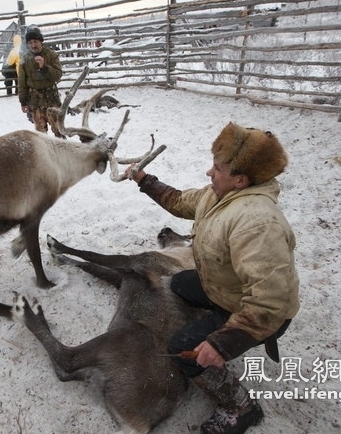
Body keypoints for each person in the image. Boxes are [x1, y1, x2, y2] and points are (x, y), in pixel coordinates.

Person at [125, 122, 300, 434]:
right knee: (179, 284)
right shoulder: (218, 196)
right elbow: (179, 201)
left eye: (217, 168)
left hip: (257, 312)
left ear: (240, 180)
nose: (209, 173)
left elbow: (271, 301)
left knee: (185, 347)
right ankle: (215, 325)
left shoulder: (257, 223)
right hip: (226, 289)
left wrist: (223, 341)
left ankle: (241, 408)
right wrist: (143, 180)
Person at [18, 26, 65, 138]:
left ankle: (63, 153)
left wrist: (45, 67)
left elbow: (57, 76)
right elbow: (22, 83)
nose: (33, 45)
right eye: (30, 43)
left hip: (51, 98)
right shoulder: (24, 59)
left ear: (40, 41)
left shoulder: (51, 55)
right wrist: (23, 101)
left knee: (59, 130)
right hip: (35, 101)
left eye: (35, 41)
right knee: (41, 135)